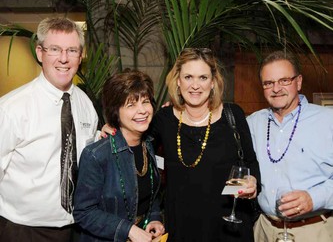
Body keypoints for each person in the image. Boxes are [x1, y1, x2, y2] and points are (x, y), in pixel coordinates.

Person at [102, 48, 261, 241]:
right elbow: (136, 149)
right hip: (182, 228)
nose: (195, 85)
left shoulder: (233, 115)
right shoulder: (163, 119)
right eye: (188, 77)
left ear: (213, 82)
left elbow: (251, 164)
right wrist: (113, 127)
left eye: (203, 77)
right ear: (178, 81)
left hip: (230, 228)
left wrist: (253, 184)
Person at [0, 17, 98, 242]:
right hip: (22, 231)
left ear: (80, 55)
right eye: (55, 49)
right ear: (40, 53)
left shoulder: (86, 104)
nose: (64, 59)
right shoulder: (11, 109)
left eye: (72, 50)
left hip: (77, 228)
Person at [246, 50, 333, 242]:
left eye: (284, 80)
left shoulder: (328, 121)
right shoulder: (253, 123)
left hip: (313, 231)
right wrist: (178, 111)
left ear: (299, 82)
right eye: (269, 83)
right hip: (264, 230)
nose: (276, 88)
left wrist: (314, 198)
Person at [73, 70, 165, 242]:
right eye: (131, 105)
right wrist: (128, 230)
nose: (142, 111)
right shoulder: (97, 155)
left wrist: (153, 217)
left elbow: (150, 194)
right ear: (116, 111)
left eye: (145, 102)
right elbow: (83, 212)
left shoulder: (149, 145)